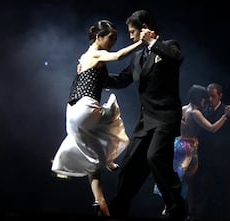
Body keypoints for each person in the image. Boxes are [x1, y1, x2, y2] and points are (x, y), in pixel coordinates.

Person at [51, 19, 143, 217]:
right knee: (112, 113)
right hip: (86, 108)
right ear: (98, 37)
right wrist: (141, 44)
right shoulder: (95, 53)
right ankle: (109, 160)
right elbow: (118, 56)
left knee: (93, 160)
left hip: (71, 114)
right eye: (110, 38)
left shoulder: (84, 57)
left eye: (115, 39)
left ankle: (100, 203)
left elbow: (105, 79)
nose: (113, 43)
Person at [103, 9, 186, 220]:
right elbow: (121, 80)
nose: (130, 36)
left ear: (145, 28)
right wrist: (95, 73)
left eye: (133, 31)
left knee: (156, 157)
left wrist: (153, 42)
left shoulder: (168, 46)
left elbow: (177, 58)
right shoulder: (137, 57)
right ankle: (117, 211)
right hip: (146, 120)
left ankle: (176, 207)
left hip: (165, 117)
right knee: (129, 167)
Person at [153, 84, 230, 216]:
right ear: (199, 98)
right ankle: (188, 213)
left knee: (175, 181)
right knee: (191, 184)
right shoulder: (195, 112)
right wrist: (225, 116)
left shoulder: (182, 109)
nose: (205, 101)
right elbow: (212, 128)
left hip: (177, 145)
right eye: (204, 98)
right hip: (188, 148)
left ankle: (167, 209)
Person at [188, 82, 230, 221]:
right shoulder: (202, 110)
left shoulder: (227, 110)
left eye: (213, 96)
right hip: (206, 160)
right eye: (208, 96)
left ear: (220, 96)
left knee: (226, 197)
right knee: (201, 193)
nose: (209, 99)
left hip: (224, 160)